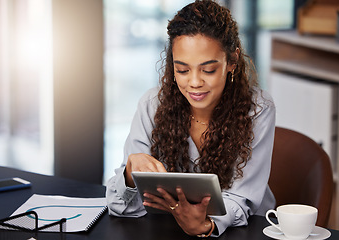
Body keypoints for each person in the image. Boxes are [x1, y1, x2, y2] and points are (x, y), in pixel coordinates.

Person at [106, 0, 276, 237]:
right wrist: (130, 173)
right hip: (170, 231)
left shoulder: (257, 109)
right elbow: (121, 207)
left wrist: (207, 225)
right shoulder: (152, 105)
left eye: (208, 70)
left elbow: (241, 199)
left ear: (233, 61)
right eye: (182, 70)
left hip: (244, 232)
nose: (195, 82)